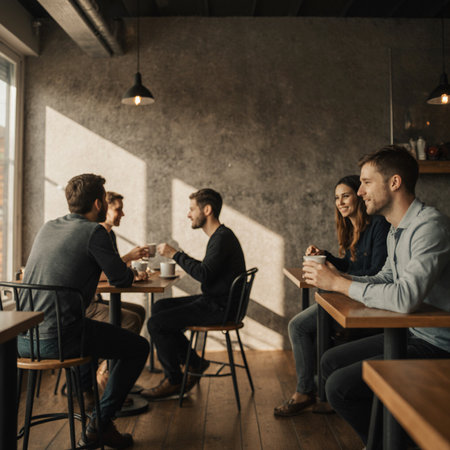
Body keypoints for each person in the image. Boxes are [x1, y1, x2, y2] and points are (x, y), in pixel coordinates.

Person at [303, 146, 450, 445]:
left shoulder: (429, 227)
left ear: (394, 183)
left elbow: (405, 297)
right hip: (414, 333)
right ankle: (382, 439)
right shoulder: (397, 229)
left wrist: (340, 285)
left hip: (440, 343)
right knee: (329, 361)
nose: (359, 192)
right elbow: (385, 277)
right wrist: (337, 277)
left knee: (340, 388)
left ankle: (392, 443)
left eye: (366, 182)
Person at [18, 174, 150, 449]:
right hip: (60, 339)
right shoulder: (95, 232)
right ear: (98, 203)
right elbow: (121, 280)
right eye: (103, 197)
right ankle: (99, 425)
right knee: (138, 347)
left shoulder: (47, 227)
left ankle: (93, 405)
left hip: (22, 336)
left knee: (91, 328)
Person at [274, 175, 389, 417]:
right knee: (311, 320)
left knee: (298, 326)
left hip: (365, 300)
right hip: (350, 297)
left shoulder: (378, 226)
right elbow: (349, 265)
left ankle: (308, 390)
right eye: (336, 198)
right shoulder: (351, 227)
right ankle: (317, 387)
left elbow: (377, 273)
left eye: (345, 195)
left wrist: (336, 277)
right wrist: (325, 256)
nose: (340, 202)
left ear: (358, 196)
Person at [141, 188, 246, 400]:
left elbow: (203, 274)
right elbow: (208, 270)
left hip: (221, 308)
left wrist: (175, 254)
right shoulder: (220, 236)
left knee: (156, 324)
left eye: (192, 209)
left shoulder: (222, 238)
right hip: (217, 301)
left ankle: (174, 379)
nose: (188, 214)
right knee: (160, 309)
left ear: (207, 209)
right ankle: (195, 363)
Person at [86, 191, 147, 335]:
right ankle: (108, 355)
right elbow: (103, 273)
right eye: (118, 209)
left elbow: (114, 269)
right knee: (132, 319)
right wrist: (128, 257)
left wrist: (133, 269)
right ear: (105, 209)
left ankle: (118, 354)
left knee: (139, 311)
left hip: (96, 298)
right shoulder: (95, 235)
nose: (123, 214)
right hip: (87, 303)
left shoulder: (110, 235)